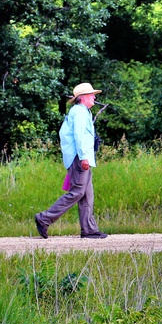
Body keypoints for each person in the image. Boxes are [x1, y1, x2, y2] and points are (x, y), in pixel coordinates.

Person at [35, 83, 109, 239]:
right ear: (82, 98)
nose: (94, 97)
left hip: (80, 157)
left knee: (87, 194)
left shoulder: (81, 112)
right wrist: (83, 157)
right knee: (77, 192)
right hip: (79, 158)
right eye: (91, 94)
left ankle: (89, 229)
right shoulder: (80, 113)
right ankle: (44, 218)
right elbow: (79, 136)